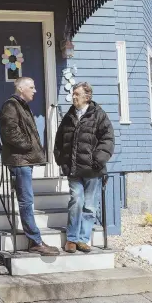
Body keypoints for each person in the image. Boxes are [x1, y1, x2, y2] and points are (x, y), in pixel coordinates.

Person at [0, 77, 60, 256]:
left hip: (24, 160)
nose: (35, 90)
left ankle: (35, 239)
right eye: (31, 87)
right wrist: (28, 145)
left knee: (27, 200)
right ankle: (35, 241)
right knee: (26, 201)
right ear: (20, 88)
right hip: (20, 160)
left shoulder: (22, 106)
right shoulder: (11, 106)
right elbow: (9, 132)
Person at [54, 82, 114, 253]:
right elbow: (59, 140)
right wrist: (61, 161)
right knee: (76, 201)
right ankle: (71, 239)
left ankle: (83, 239)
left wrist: (99, 159)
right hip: (73, 169)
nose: (73, 96)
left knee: (90, 206)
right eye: (73, 93)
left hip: (92, 169)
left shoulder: (99, 115)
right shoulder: (69, 116)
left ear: (87, 97)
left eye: (77, 94)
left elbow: (108, 139)